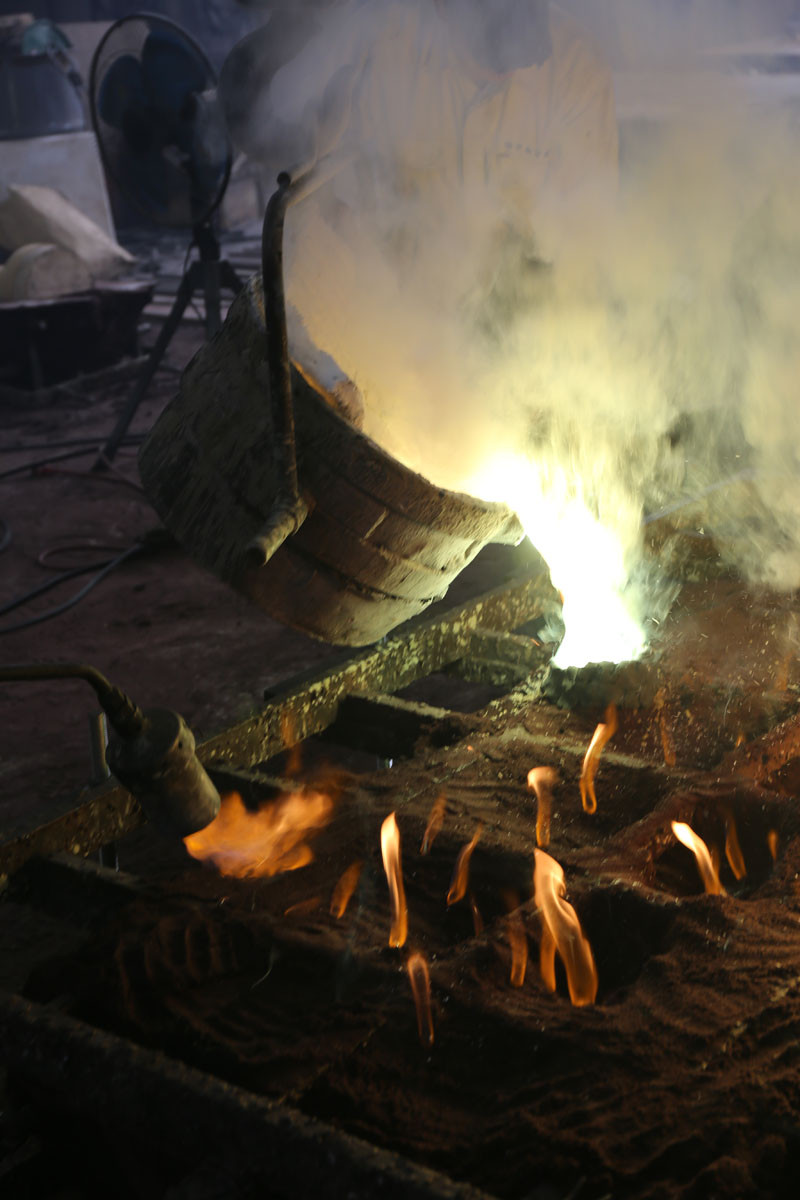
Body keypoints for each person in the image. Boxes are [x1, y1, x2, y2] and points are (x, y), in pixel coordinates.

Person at [220, 1, 618, 430]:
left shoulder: (576, 70)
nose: (501, 72)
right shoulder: (388, 43)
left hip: (500, 333)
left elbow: (585, 236)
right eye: (483, 57)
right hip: (377, 312)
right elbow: (317, 192)